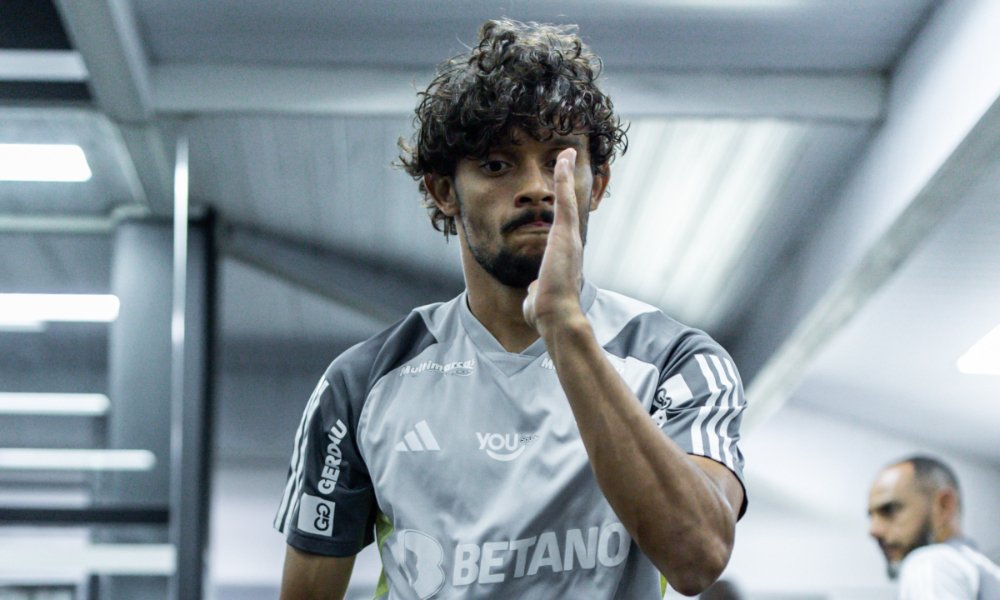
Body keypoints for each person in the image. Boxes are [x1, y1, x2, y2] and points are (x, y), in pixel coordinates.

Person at [274, 18, 747, 599]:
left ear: (596, 185)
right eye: (497, 165)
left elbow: (698, 556)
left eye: (561, 161)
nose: (537, 188)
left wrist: (564, 325)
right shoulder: (361, 383)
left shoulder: (677, 361)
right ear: (444, 190)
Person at [868, 455, 1000, 599]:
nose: (874, 530)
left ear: (944, 505)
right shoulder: (987, 571)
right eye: (871, 516)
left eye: (889, 510)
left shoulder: (929, 563)